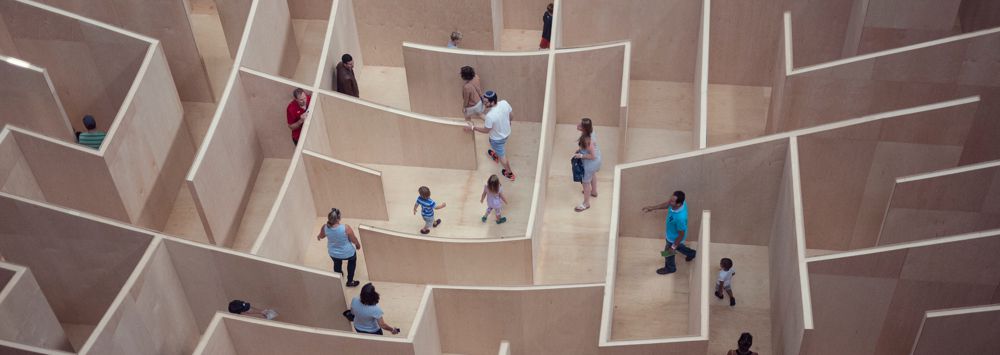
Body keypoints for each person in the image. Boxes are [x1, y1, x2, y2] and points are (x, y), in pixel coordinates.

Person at [464, 90, 515, 181]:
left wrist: (472, 128)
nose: (484, 103)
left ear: (492, 102)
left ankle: (510, 174)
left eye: (486, 102)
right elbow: (511, 115)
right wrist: (508, 122)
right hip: (507, 133)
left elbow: (486, 130)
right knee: (498, 149)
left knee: (503, 157)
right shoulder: (504, 103)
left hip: (497, 140)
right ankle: (496, 154)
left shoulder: (490, 116)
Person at [642, 190, 696, 275]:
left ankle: (670, 268)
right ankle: (692, 253)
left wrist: (673, 246)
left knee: (668, 254)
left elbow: (681, 235)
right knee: (680, 247)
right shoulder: (680, 202)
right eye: (671, 199)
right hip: (672, 236)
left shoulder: (680, 218)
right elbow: (667, 204)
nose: (669, 202)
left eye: (672, 201)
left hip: (674, 239)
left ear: (678, 204)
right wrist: (652, 208)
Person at [315, 208, 361, 287]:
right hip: (348, 253)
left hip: (333, 254)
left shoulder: (325, 227)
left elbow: (321, 236)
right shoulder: (346, 228)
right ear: (338, 218)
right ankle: (350, 281)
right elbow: (353, 239)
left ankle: (338, 277)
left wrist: (318, 236)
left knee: (337, 263)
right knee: (352, 261)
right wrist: (357, 244)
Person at [572, 118, 601, 212]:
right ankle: (594, 192)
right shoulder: (590, 132)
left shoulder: (587, 140)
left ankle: (586, 203)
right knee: (592, 175)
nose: (577, 125)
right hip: (596, 161)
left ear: (584, 128)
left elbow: (592, 156)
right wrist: (581, 151)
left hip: (591, 163)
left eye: (580, 125)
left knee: (585, 183)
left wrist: (581, 155)